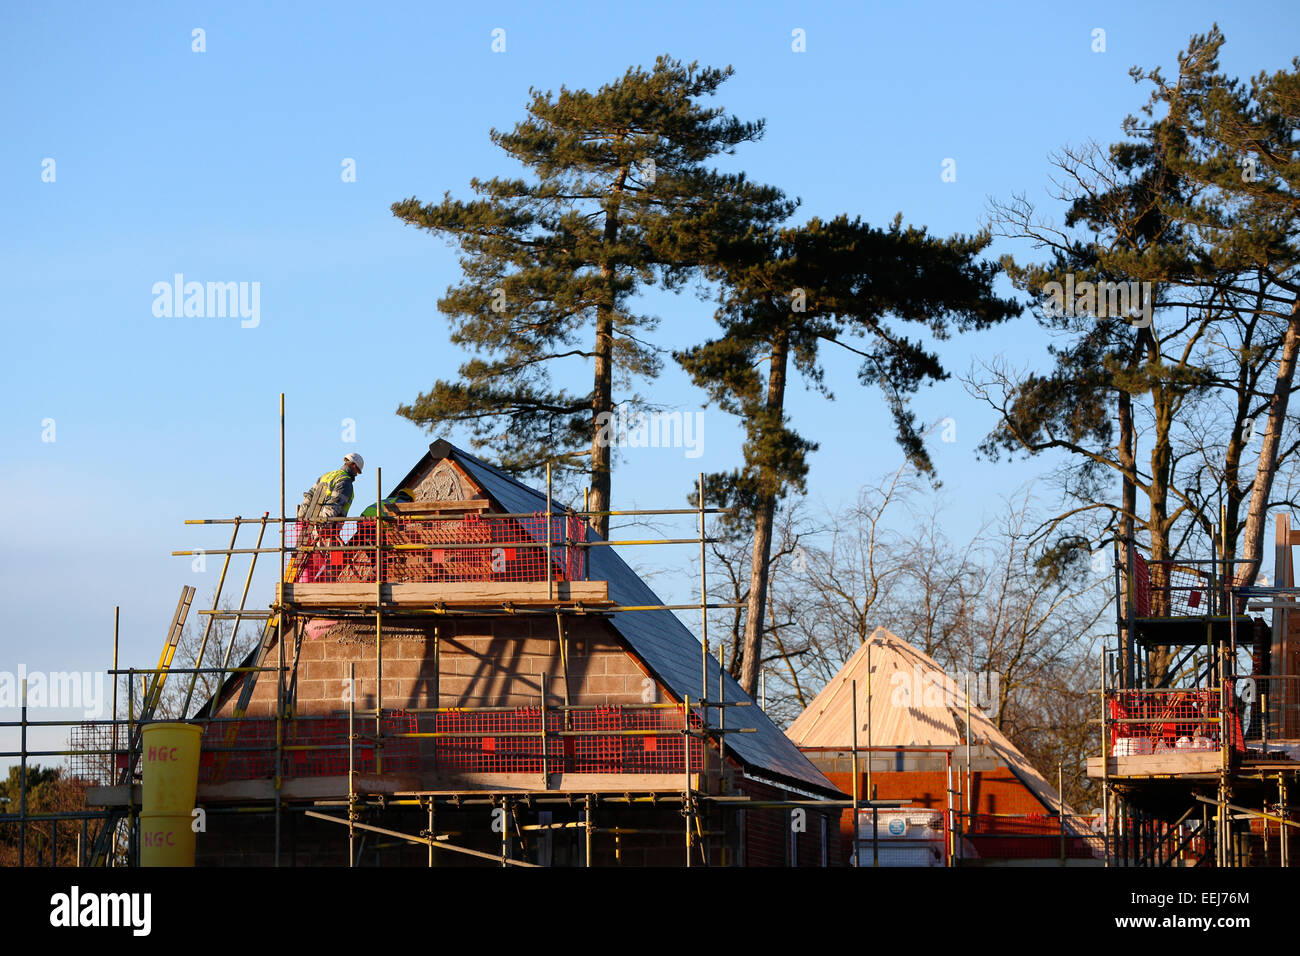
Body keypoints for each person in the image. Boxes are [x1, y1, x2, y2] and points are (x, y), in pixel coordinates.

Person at [296, 453, 364, 581]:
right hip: (327, 529)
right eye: (357, 471)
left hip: (311, 525)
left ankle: (317, 584)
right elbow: (334, 506)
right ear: (354, 466)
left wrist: (301, 517)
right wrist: (323, 525)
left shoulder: (326, 476)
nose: (356, 475)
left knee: (312, 561)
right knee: (330, 563)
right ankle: (326, 587)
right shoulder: (345, 482)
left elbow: (309, 496)